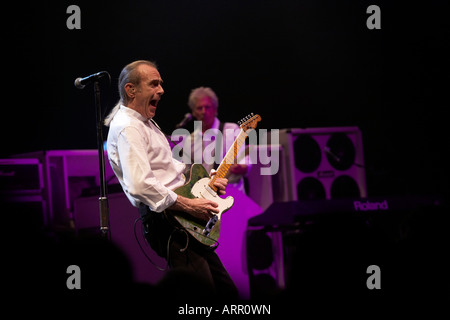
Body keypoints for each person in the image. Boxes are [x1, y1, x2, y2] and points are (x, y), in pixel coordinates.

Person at [104, 60, 238, 299]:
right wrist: (190, 205)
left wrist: (206, 184)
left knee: (226, 292)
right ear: (131, 90)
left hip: (181, 217)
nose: (162, 90)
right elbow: (139, 184)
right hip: (168, 221)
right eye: (154, 84)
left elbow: (171, 171)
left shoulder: (145, 123)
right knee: (203, 296)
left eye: (161, 84)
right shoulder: (128, 127)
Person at [184, 86, 251, 194]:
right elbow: (187, 174)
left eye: (207, 107)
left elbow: (246, 164)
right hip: (205, 197)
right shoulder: (189, 140)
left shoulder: (232, 130)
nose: (203, 111)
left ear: (215, 109)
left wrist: (240, 168)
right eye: (199, 108)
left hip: (233, 193)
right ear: (194, 112)